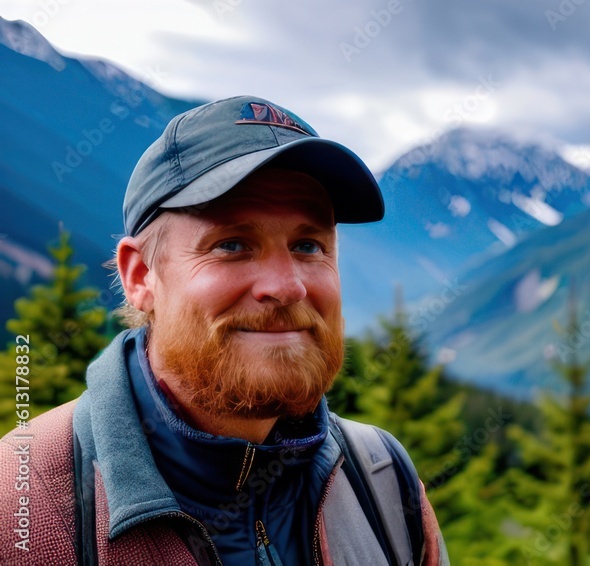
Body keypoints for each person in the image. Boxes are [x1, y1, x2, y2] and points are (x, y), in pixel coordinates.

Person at [0, 96, 449, 565]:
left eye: (309, 245)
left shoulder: (383, 479)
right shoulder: (19, 513)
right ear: (140, 276)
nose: (287, 286)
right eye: (232, 244)